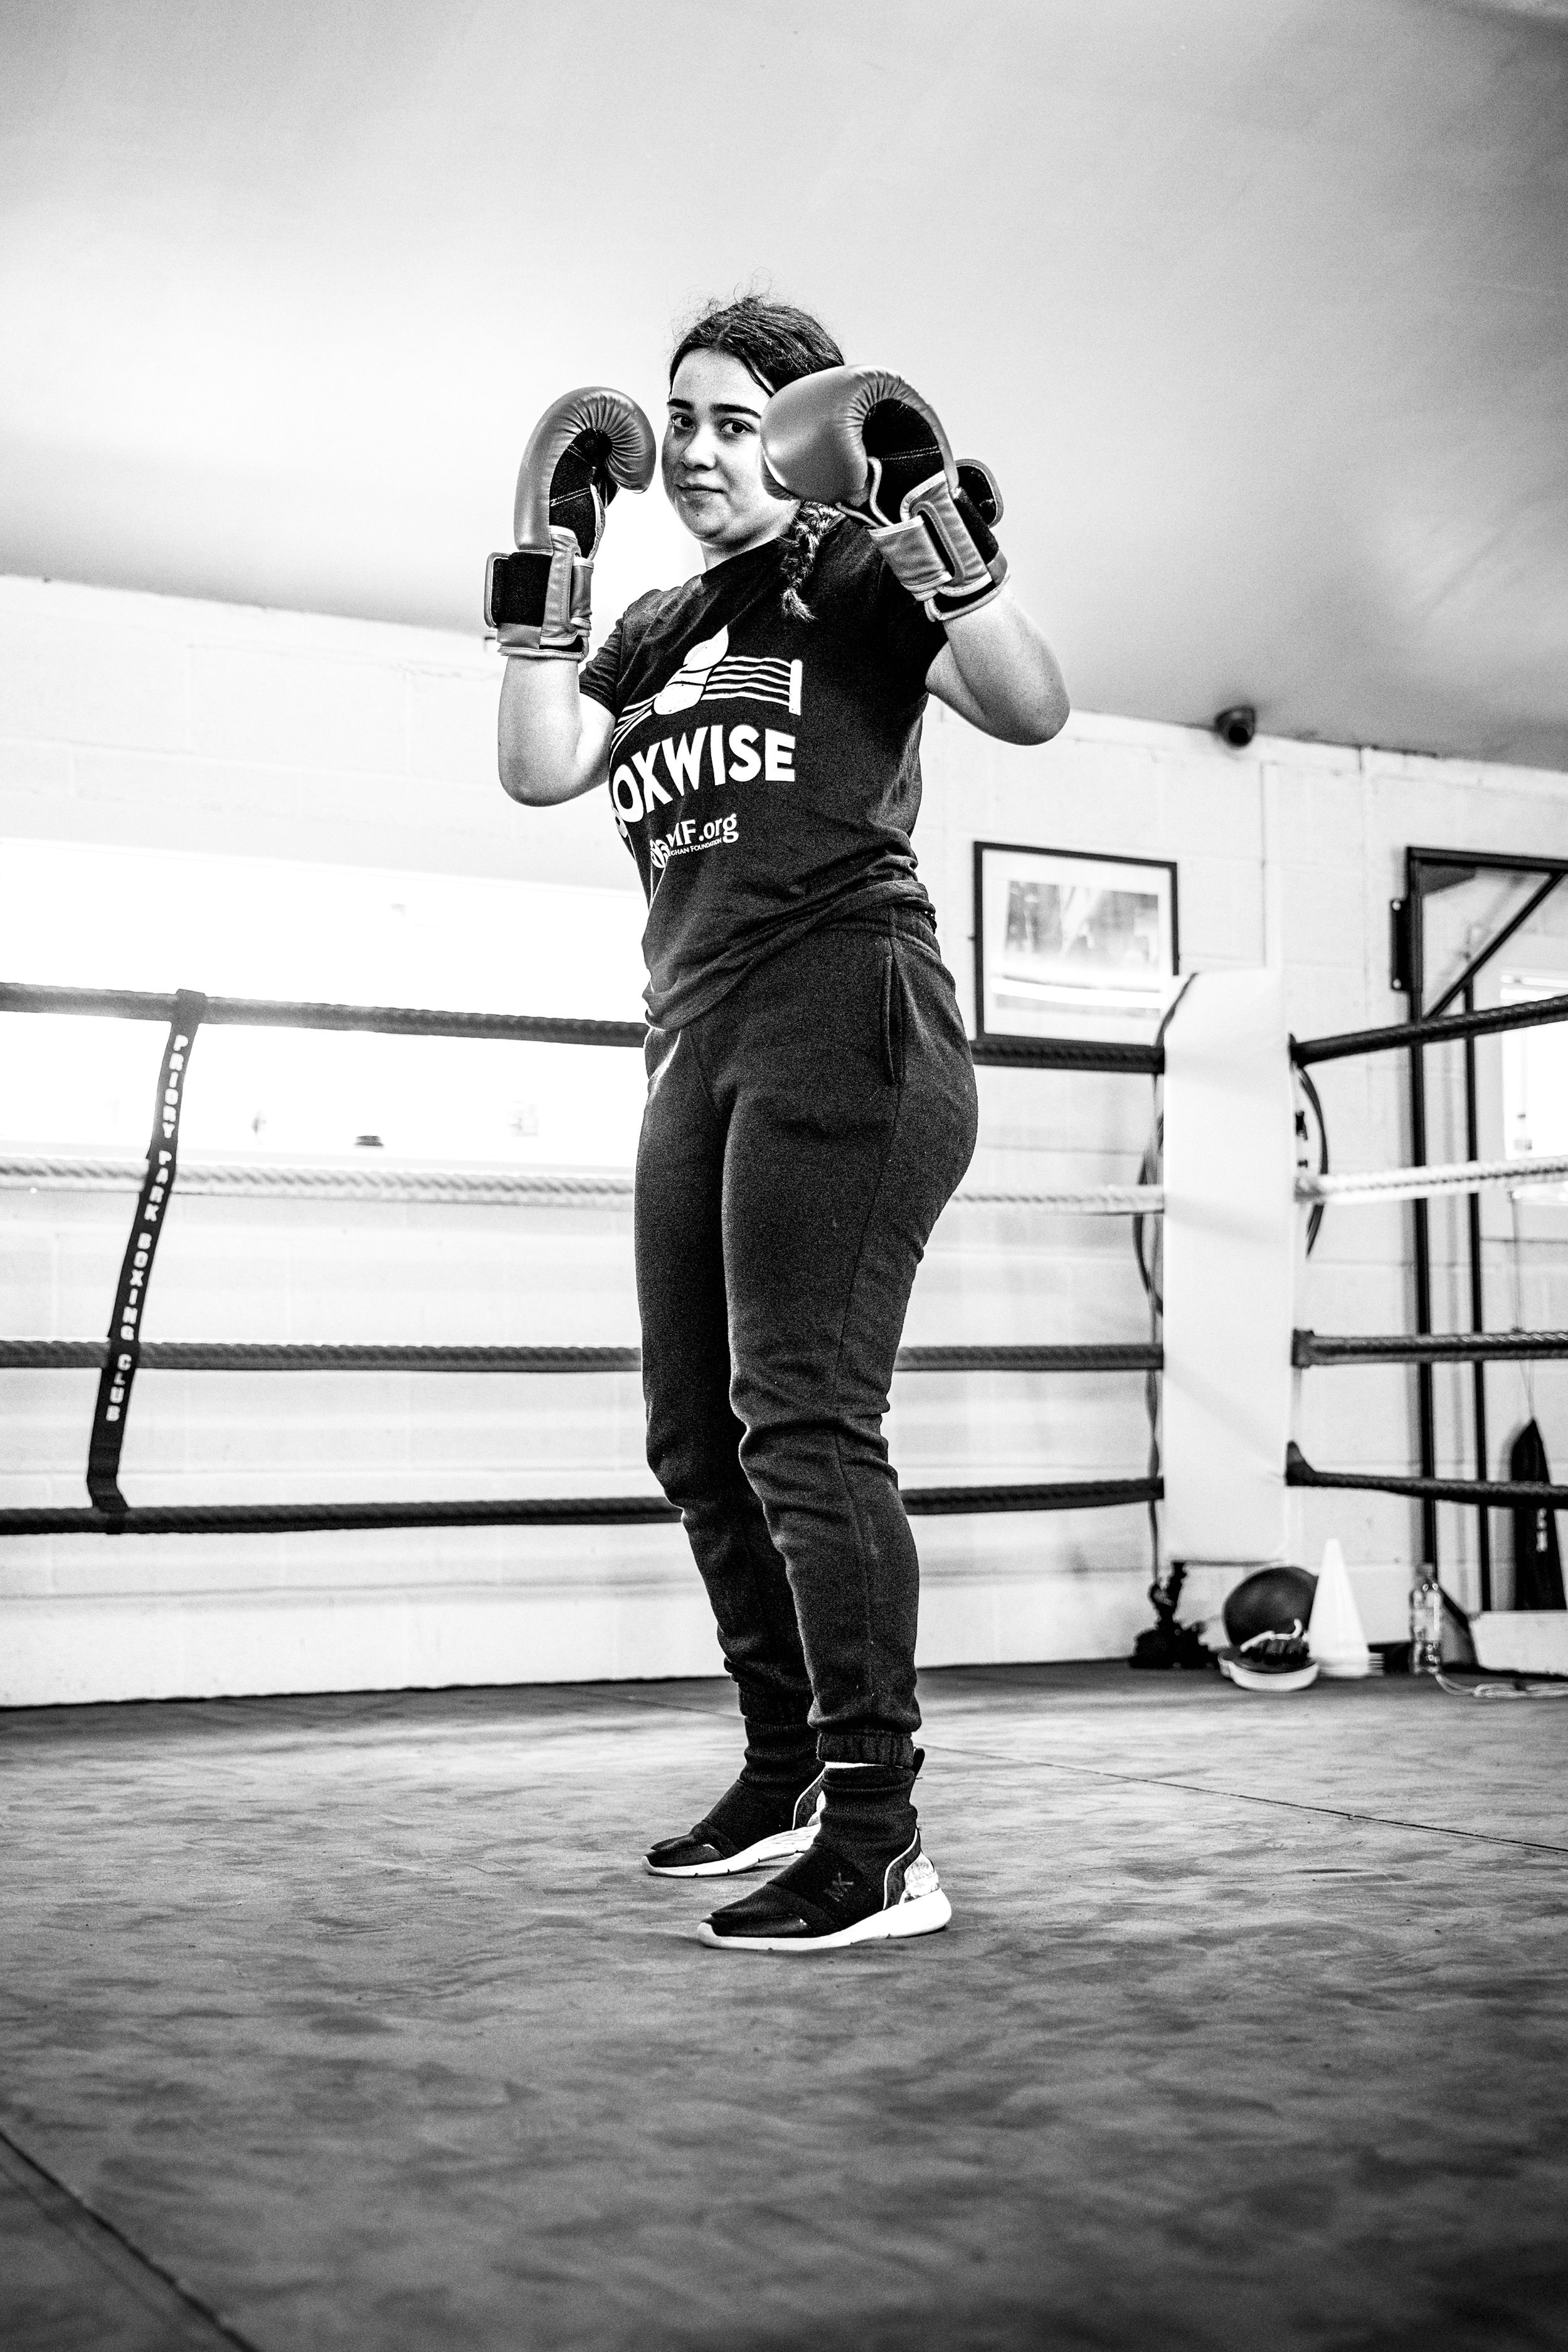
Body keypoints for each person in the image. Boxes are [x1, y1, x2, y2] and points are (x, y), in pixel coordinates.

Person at [492, 295, 1068, 1952]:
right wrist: (548, 562)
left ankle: (881, 1838)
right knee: (696, 1435)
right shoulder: (665, 621)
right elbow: (539, 766)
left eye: (739, 419)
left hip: (847, 1006)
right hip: (697, 1043)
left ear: (805, 434)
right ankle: (786, 1775)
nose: (693, 448)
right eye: (678, 419)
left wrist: (929, 522)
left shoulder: (859, 570)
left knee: (804, 1419)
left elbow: (1030, 706)